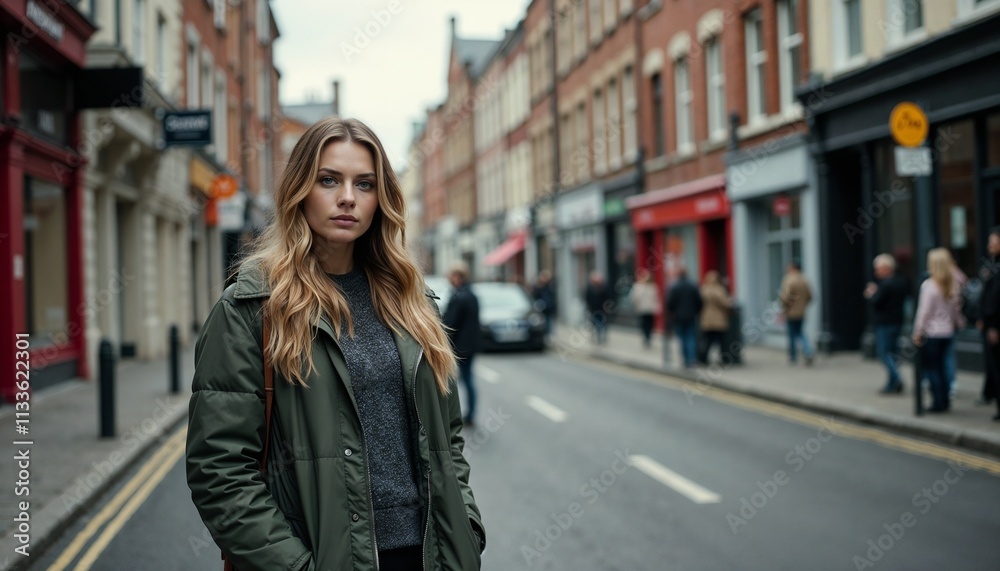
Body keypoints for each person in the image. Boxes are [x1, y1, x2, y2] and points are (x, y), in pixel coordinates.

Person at [185, 117, 485, 571]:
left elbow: (448, 437)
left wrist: (466, 528)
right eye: (329, 180)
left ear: (380, 198)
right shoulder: (252, 308)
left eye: (364, 184)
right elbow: (219, 470)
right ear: (300, 189)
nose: (348, 197)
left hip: (427, 558)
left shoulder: (413, 301)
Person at [912, 248, 966, 413]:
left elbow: (924, 312)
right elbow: (956, 310)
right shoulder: (952, 284)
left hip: (932, 334)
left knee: (932, 369)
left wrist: (918, 332)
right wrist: (959, 323)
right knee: (943, 367)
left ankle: (938, 403)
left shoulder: (929, 285)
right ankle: (945, 401)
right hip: (948, 332)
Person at [864, 254, 911, 394]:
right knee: (893, 353)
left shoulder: (886, 284)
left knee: (884, 353)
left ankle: (896, 379)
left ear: (886, 268)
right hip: (898, 321)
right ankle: (892, 383)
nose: (876, 272)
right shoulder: (901, 280)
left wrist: (871, 294)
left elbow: (876, 303)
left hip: (885, 323)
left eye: (878, 268)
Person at [442, 261, 481, 427]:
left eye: (450, 276)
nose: (449, 279)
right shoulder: (471, 294)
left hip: (460, 346)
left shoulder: (459, 296)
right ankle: (471, 413)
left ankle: (459, 415)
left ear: (458, 276)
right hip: (471, 344)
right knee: (467, 379)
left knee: (455, 380)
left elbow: (450, 323)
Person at [978, 228, 1000, 421]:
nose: (989, 245)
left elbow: (994, 300)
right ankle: (989, 393)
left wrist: (992, 325)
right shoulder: (992, 265)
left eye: (993, 242)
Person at [665, 267, 703, 368]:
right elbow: (699, 301)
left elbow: (670, 303)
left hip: (678, 317)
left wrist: (672, 313)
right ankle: (692, 358)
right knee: (690, 337)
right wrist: (696, 311)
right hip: (691, 316)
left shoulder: (674, 286)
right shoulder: (693, 285)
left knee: (681, 339)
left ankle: (686, 360)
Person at [779, 262, 814, 366]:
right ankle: (808, 351)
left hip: (790, 313)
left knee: (792, 335)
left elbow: (785, 298)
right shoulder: (805, 280)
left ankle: (793, 356)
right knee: (801, 333)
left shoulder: (789, 280)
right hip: (801, 312)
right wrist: (802, 306)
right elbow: (810, 296)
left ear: (793, 268)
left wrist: (783, 310)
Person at [699, 270, 732, 365]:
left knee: (708, 340)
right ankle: (723, 359)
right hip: (719, 319)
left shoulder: (703, 289)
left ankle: (703, 359)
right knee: (721, 341)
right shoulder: (720, 290)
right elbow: (725, 303)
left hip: (707, 319)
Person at [628, 268, 660, 348]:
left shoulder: (650, 287)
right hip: (644, 309)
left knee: (647, 324)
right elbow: (634, 298)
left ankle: (647, 337)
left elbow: (656, 298)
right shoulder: (640, 286)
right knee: (646, 324)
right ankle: (647, 337)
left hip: (648, 309)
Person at [584, 271, 613, 344]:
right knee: (596, 323)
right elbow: (587, 298)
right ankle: (598, 336)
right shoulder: (590, 288)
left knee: (603, 323)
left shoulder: (604, 287)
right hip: (594, 309)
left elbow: (608, 298)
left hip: (603, 309)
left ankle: (602, 336)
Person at [531, 269, 557, 338]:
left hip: (549, 308)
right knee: (542, 322)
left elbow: (552, 297)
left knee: (549, 322)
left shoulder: (550, 286)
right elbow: (535, 297)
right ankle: (543, 335)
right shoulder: (538, 287)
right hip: (541, 309)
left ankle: (548, 335)